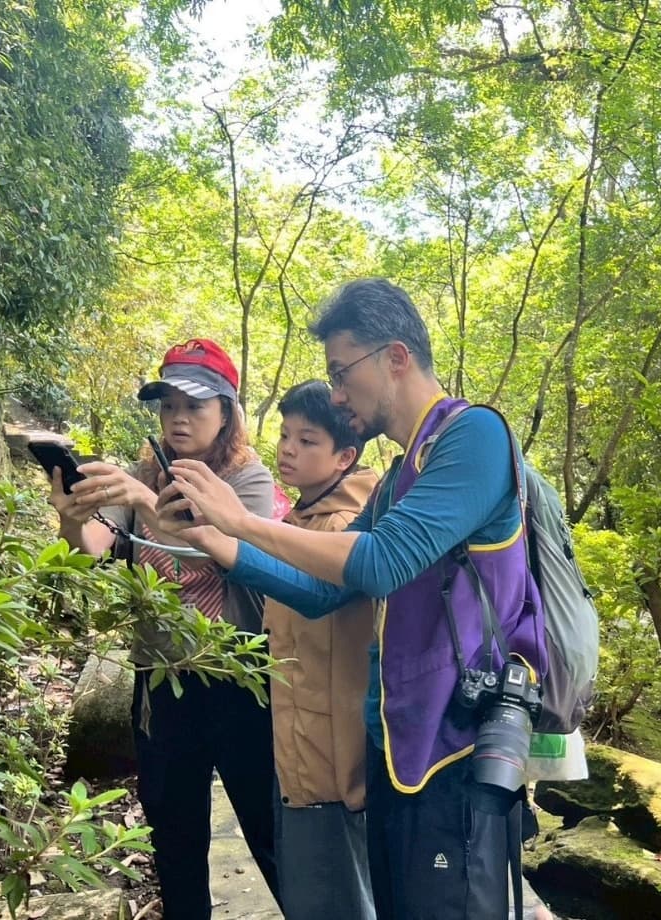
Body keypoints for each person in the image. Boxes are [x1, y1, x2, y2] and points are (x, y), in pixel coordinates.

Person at [154, 280, 546, 920]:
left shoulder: (474, 437)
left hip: (457, 756)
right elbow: (323, 593)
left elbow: (384, 562)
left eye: (342, 372)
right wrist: (213, 538)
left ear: (395, 357)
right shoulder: (401, 474)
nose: (336, 393)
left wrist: (245, 521)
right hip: (398, 751)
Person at [46, 338, 281, 919]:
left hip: (237, 677)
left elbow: (221, 551)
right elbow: (93, 550)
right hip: (161, 680)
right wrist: (70, 517)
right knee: (174, 835)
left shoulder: (247, 481)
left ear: (228, 412)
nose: (177, 416)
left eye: (194, 405)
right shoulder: (142, 472)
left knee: (268, 830)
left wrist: (146, 503)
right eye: (167, 403)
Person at [266, 381, 379, 920]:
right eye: (286, 435)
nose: (288, 449)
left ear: (345, 456)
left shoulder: (338, 534)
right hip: (303, 756)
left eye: (307, 440)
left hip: (333, 769)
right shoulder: (300, 523)